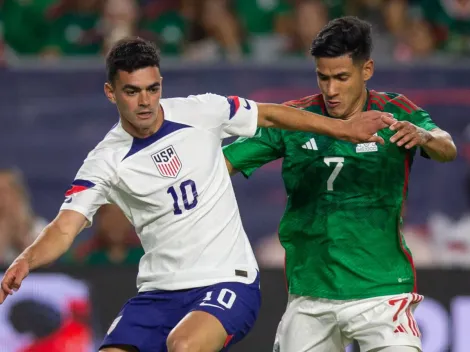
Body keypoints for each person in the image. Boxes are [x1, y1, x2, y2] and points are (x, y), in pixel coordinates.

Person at [0, 37, 393, 352]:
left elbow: (271, 115)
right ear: (110, 92)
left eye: (152, 89)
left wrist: (342, 129)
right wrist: (26, 259)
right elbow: (65, 228)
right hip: (158, 293)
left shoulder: (200, 111)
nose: (145, 102)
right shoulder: (105, 160)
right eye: (132, 91)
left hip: (228, 281)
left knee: (185, 345)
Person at [223, 17, 457, 352]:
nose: (331, 90)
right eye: (323, 77)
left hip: (382, 291)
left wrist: (424, 136)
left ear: (367, 70)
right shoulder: (295, 119)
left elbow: (446, 147)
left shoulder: (394, 112)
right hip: (311, 293)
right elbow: (222, 163)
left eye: (341, 77)